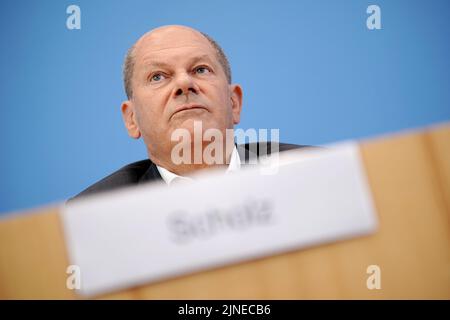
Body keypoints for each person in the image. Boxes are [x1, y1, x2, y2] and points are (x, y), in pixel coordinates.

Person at [72, 25, 304, 200]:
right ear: (132, 119)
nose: (184, 83)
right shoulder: (97, 212)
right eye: (158, 76)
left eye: (200, 69)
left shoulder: (309, 175)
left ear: (234, 102)